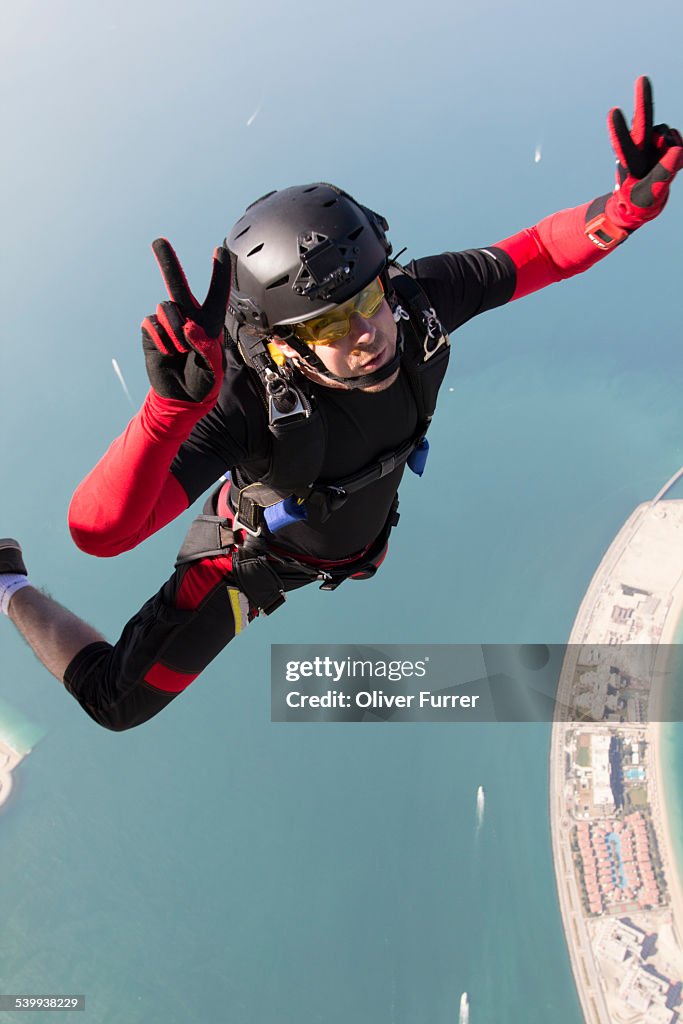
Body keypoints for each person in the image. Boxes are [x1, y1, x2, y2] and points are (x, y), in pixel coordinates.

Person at [2, 76, 681, 731]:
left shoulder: (413, 304)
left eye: (366, 300)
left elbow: (537, 252)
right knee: (115, 705)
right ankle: (7, 585)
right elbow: (100, 534)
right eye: (328, 325)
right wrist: (165, 416)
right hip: (253, 564)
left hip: (338, 538)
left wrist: (621, 211)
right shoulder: (245, 406)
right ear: (277, 346)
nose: (366, 333)